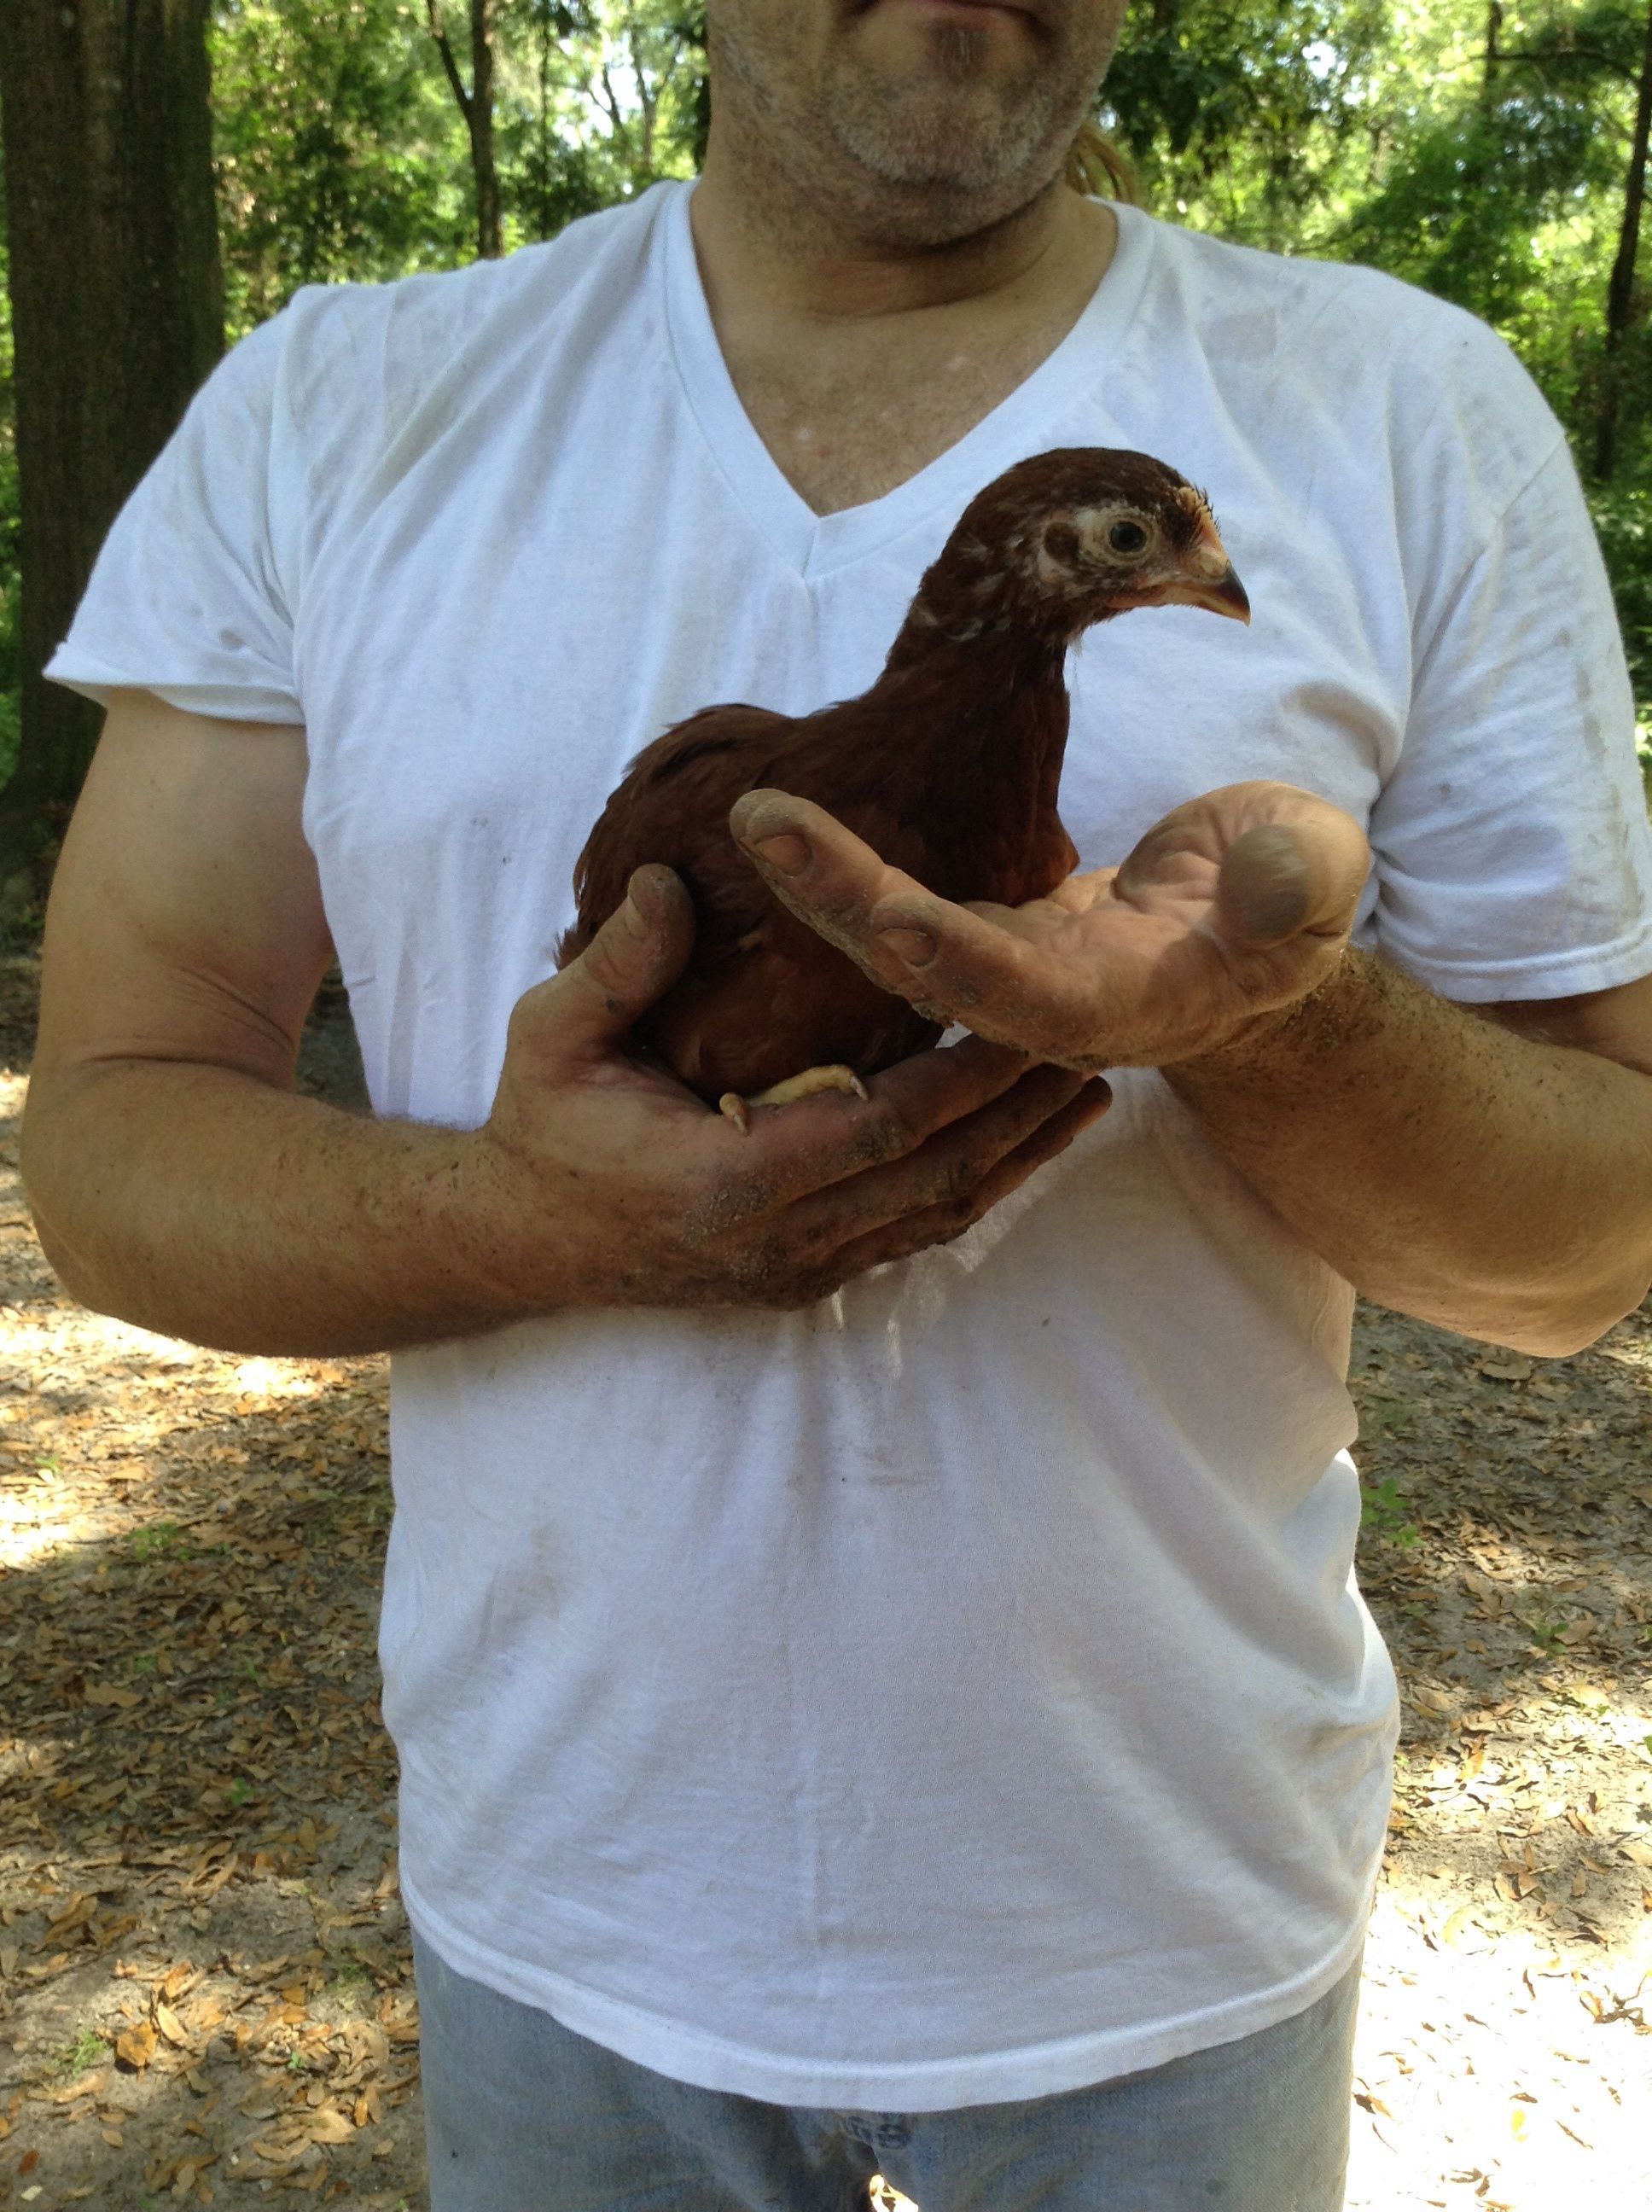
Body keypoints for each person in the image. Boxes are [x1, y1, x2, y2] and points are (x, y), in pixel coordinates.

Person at [20, 1, 1652, 2206]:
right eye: (1129, 547)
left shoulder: (1408, 406)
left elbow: (1590, 1256)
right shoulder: (340, 405)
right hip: (570, 1923)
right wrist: (548, 1222)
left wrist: (1274, 1026)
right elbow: (108, 1141)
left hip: (1169, 1933)